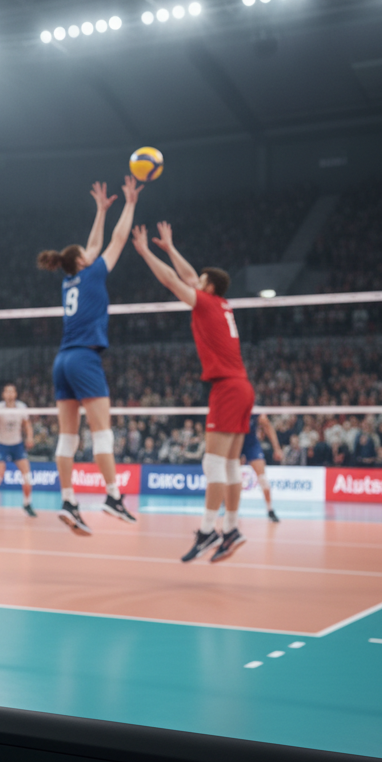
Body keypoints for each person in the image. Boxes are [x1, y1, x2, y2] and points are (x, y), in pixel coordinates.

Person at [131, 221, 254, 563]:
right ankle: (231, 529)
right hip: (243, 386)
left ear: (208, 286)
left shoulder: (206, 304)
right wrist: (170, 248)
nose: (194, 281)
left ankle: (207, 530)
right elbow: (187, 276)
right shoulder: (222, 304)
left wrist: (146, 253)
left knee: (212, 464)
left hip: (227, 388)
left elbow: (173, 280)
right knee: (230, 465)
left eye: (200, 280)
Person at [37, 175, 141, 535]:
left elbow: (93, 245)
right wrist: (129, 204)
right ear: (82, 261)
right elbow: (116, 240)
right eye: (86, 253)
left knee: (67, 437)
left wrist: (100, 210)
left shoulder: (69, 280)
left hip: (62, 361)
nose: (91, 252)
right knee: (102, 434)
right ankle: (113, 496)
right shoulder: (94, 273)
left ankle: (68, 501)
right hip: (84, 358)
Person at [0, 383, 36, 518]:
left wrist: (30, 437)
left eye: (12, 392)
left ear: (15, 394)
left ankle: (27, 504)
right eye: (7, 392)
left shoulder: (22, 407)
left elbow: (27, 425)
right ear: (3, 394)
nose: (10, 394)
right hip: (2, 445)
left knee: (27, 477)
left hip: (17, 445)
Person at [241, 413, 283, 521]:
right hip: (236, 442)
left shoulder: (255, 411)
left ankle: (270, 510)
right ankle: (230, 510)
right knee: (232, 478)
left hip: (251, 445)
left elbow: (267, 426)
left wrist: (277, 448)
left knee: (263, 479)